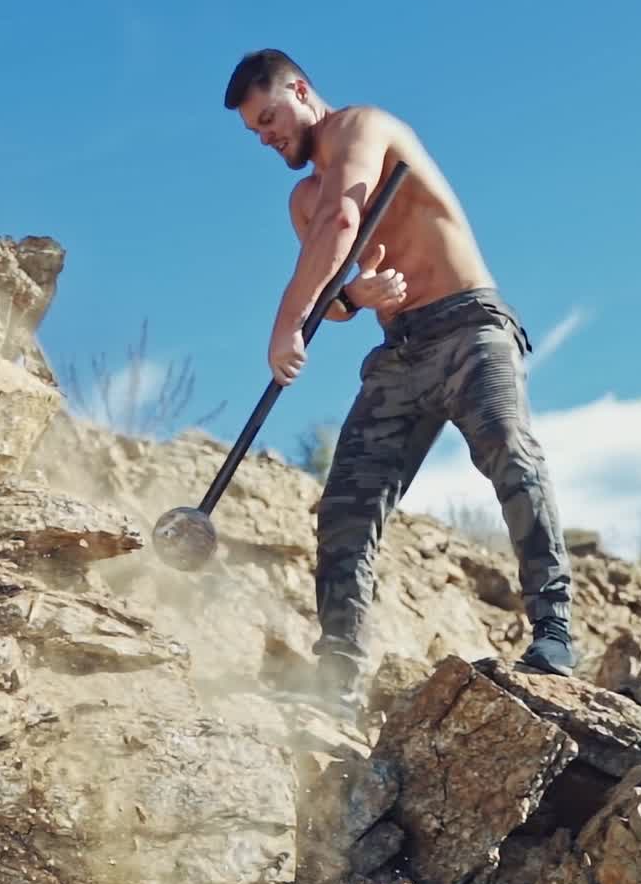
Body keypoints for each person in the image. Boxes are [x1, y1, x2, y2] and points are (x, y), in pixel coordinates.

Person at [223, 48, 577, 721]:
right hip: (401, 352)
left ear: (300, 89)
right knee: (345, 510)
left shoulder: (362, 127)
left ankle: (554, 633)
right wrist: (353, 295)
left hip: (470, 324)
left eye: (269, 118)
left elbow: (341, 225)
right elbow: (332, 288)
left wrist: (283, 323)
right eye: (256, 132)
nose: (267, 137)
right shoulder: (303, 197)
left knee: (509, 447)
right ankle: (338, 681)